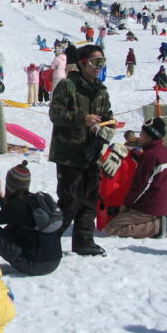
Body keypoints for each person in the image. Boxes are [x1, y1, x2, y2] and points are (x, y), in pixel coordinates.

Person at [48, 44, 114, 257]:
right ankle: (49, 242)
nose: (99, 67)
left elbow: (107, 114)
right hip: (69, 153)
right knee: (70, 201)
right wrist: (82, 119)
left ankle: (84, 241)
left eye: (102, 62)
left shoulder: (101, 89)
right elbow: (55, 114)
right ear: (83, 63)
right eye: (95, 62)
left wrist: (109, 125)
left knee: (90, 199)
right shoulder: (68, 86)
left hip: (92, 151)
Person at [103, 118, 167, 239]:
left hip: (149, 207)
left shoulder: (150, 155)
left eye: (142, 134)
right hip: (161, 205)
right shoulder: (165, 151)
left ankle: (157, 227)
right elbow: (146, 161)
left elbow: (140, 186)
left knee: (112, 228)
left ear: (150, 136)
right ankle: (155, 221)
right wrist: (132, 152)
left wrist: (125, 205)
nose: (140, 136)